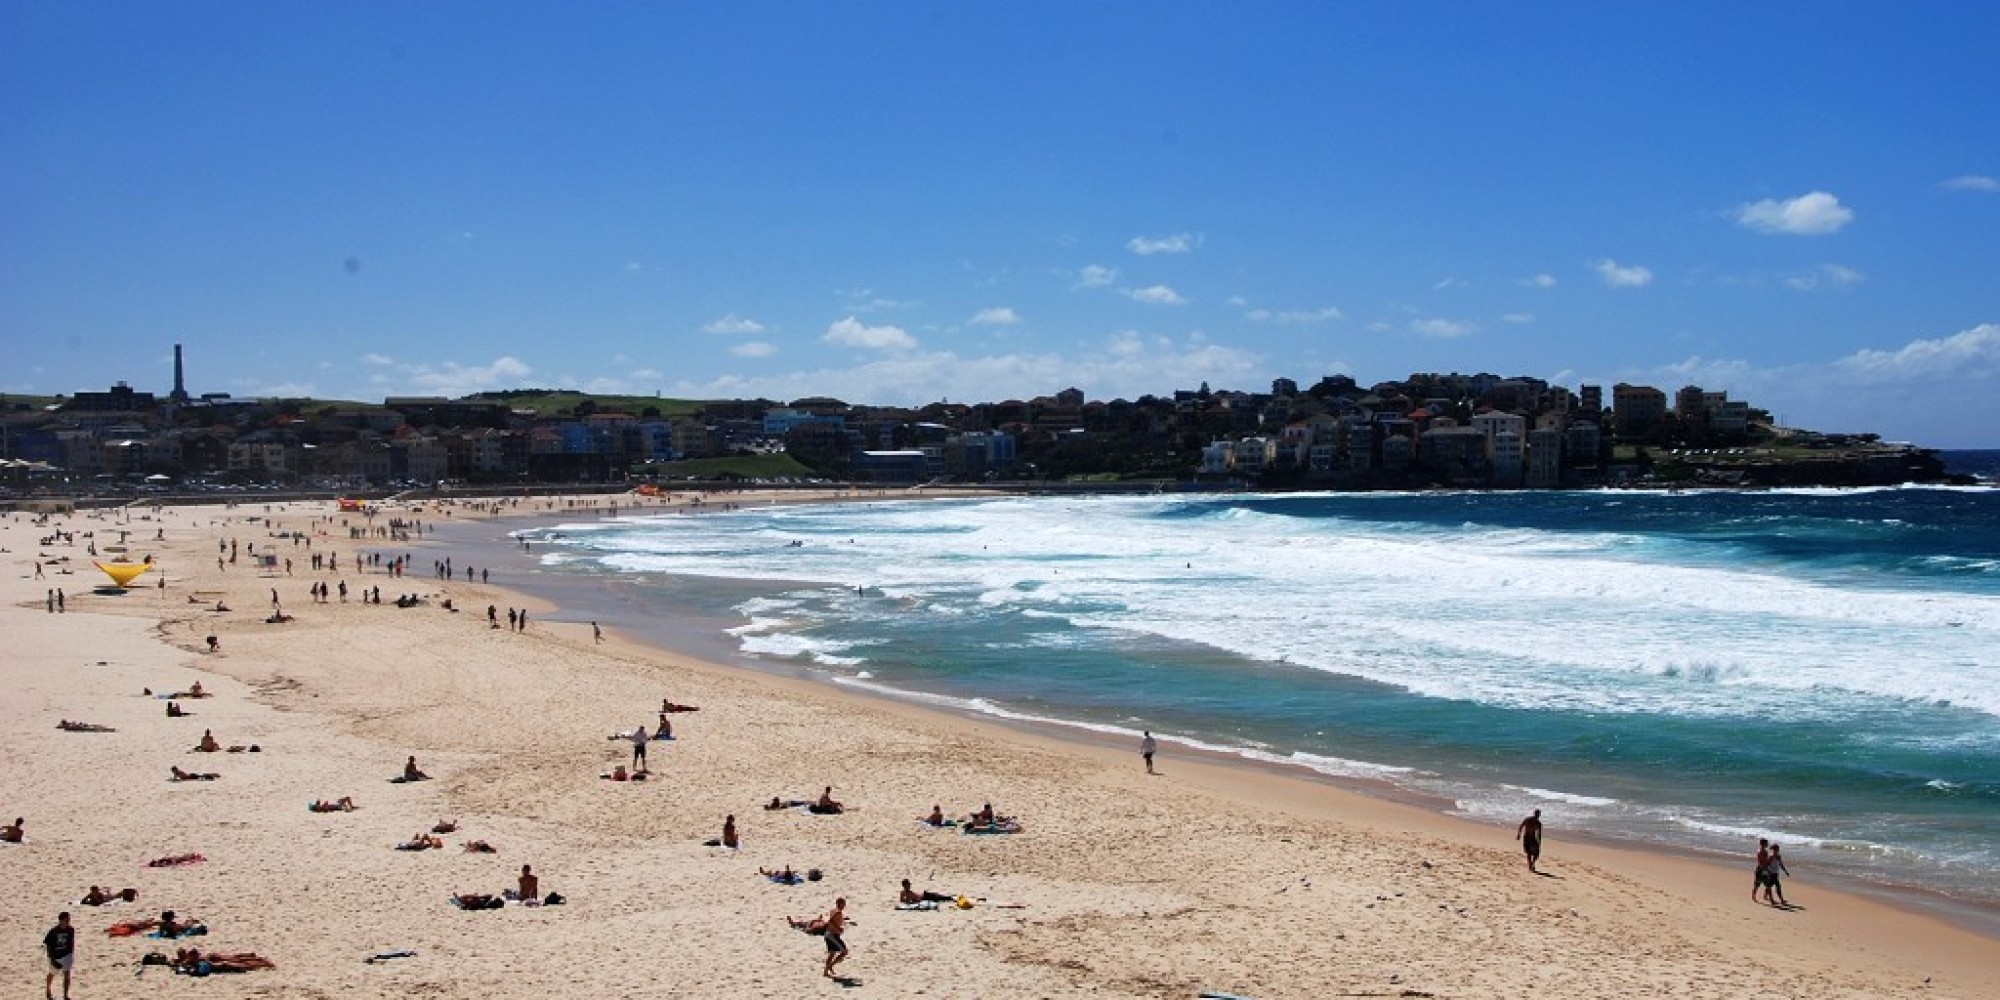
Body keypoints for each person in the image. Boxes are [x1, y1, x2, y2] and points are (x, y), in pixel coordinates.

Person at [45, 911, 74, 1000]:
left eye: (69, 919)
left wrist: (71, 954)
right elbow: (48, 945)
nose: (68, 921)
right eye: (66, 920)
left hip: (66, 955)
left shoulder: (71, 929)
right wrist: (52, 959)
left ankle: (65, 995)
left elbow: (71, 942)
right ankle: (48, 989)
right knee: (52, 973)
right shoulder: (53, 931)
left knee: (67, 974)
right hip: (55, 956)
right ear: (61, 920)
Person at [820, 897, 850, 978]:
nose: (844, 905)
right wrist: (838, 928)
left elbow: (834, 919)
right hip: (832, 935)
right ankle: (830, 966)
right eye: (843, 903)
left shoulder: (834, 911)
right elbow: (831, 921)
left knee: (832, 953)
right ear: (839, 903)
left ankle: (826, 971)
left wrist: (844, 919)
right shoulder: (838, 912)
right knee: (844, 952)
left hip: (828, 934)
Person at [1753, 838, 1771, 902]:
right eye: (1766, 843)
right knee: (1757, 884)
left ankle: (1765, 896)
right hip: (1761, 870)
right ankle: (1754, 896)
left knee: (1768, 883)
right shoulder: (1760, 852)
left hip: (1764, 869)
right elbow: (1760, 862)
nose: (1767, 844)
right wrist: (1764, 869)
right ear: (1763, 844)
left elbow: (1765, 861)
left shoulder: (1765, 851)